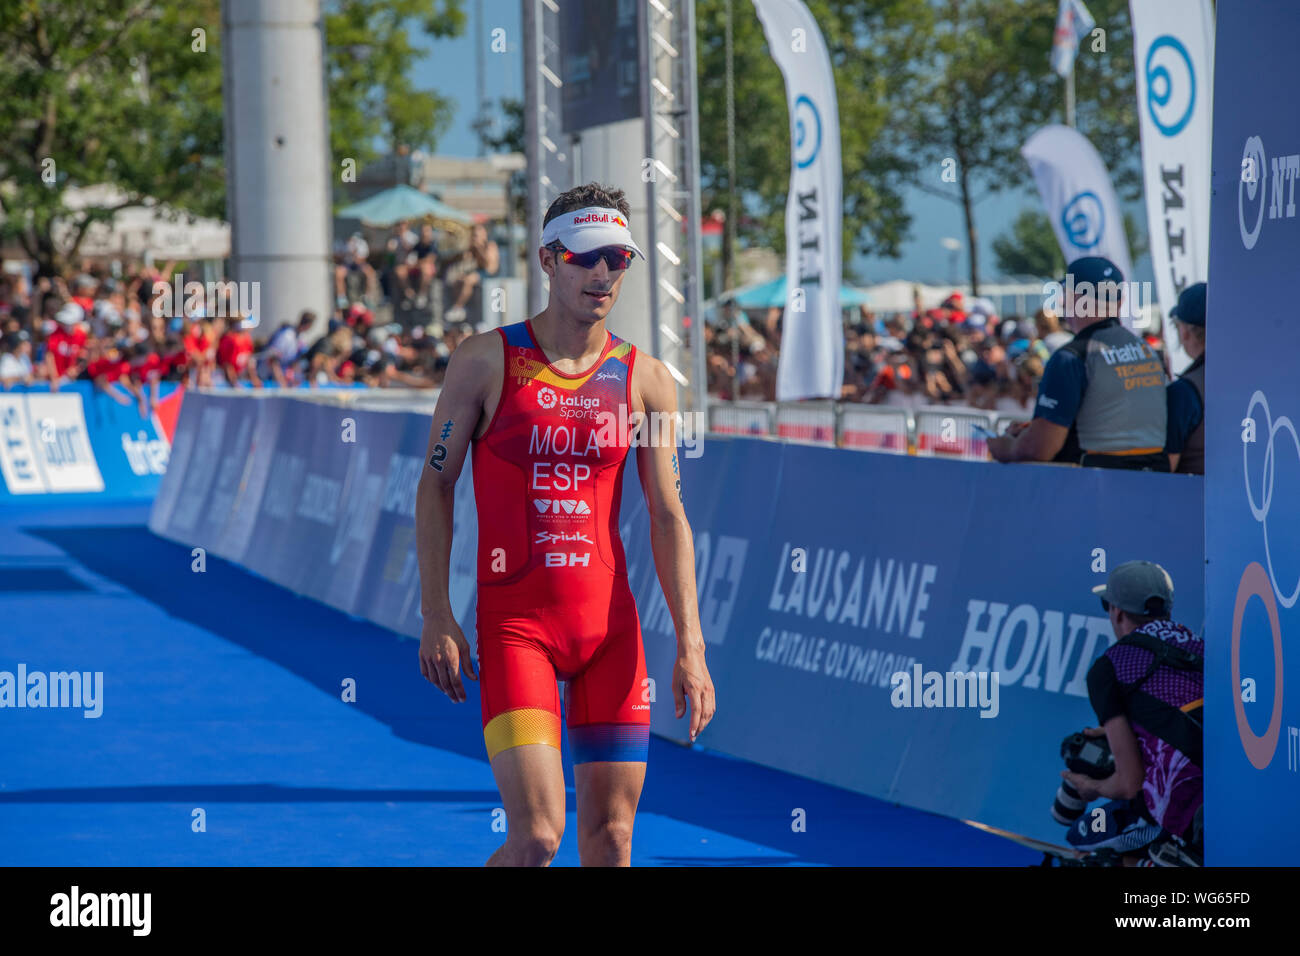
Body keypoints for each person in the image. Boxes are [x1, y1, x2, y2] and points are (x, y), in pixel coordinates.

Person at [415, 183, 716, 867]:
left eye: (618, 258)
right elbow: (435, 486)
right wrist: (436, 611)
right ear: (549, 260)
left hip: (610, 632)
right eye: (586, 258)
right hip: (518, 629)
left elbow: (669, 514)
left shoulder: (650, 380)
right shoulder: (484, 360)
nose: (603, 274)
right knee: (538, 838)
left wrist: (691, 646)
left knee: (611, 841)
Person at [1060, 560, 1203, 866]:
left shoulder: (1109, 667)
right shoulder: (1200, 645)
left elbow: (1129, 784)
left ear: (1118, 612)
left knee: (1081, 843)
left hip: (1185, 807)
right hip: (1227, 788)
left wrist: (1092, 788)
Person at [988, 257, 1168, 470]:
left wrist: (1003, 446)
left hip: (1094, 490)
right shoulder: (1148, 352)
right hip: (1152, 486)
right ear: (1120, 301)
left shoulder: (1071, 359)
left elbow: (1039, 448)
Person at [1163, 283, 1206, 475]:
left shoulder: (1184, 391)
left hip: (1196, 498)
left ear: (1186, 331)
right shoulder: (1249, 374)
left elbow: (1166, 465)